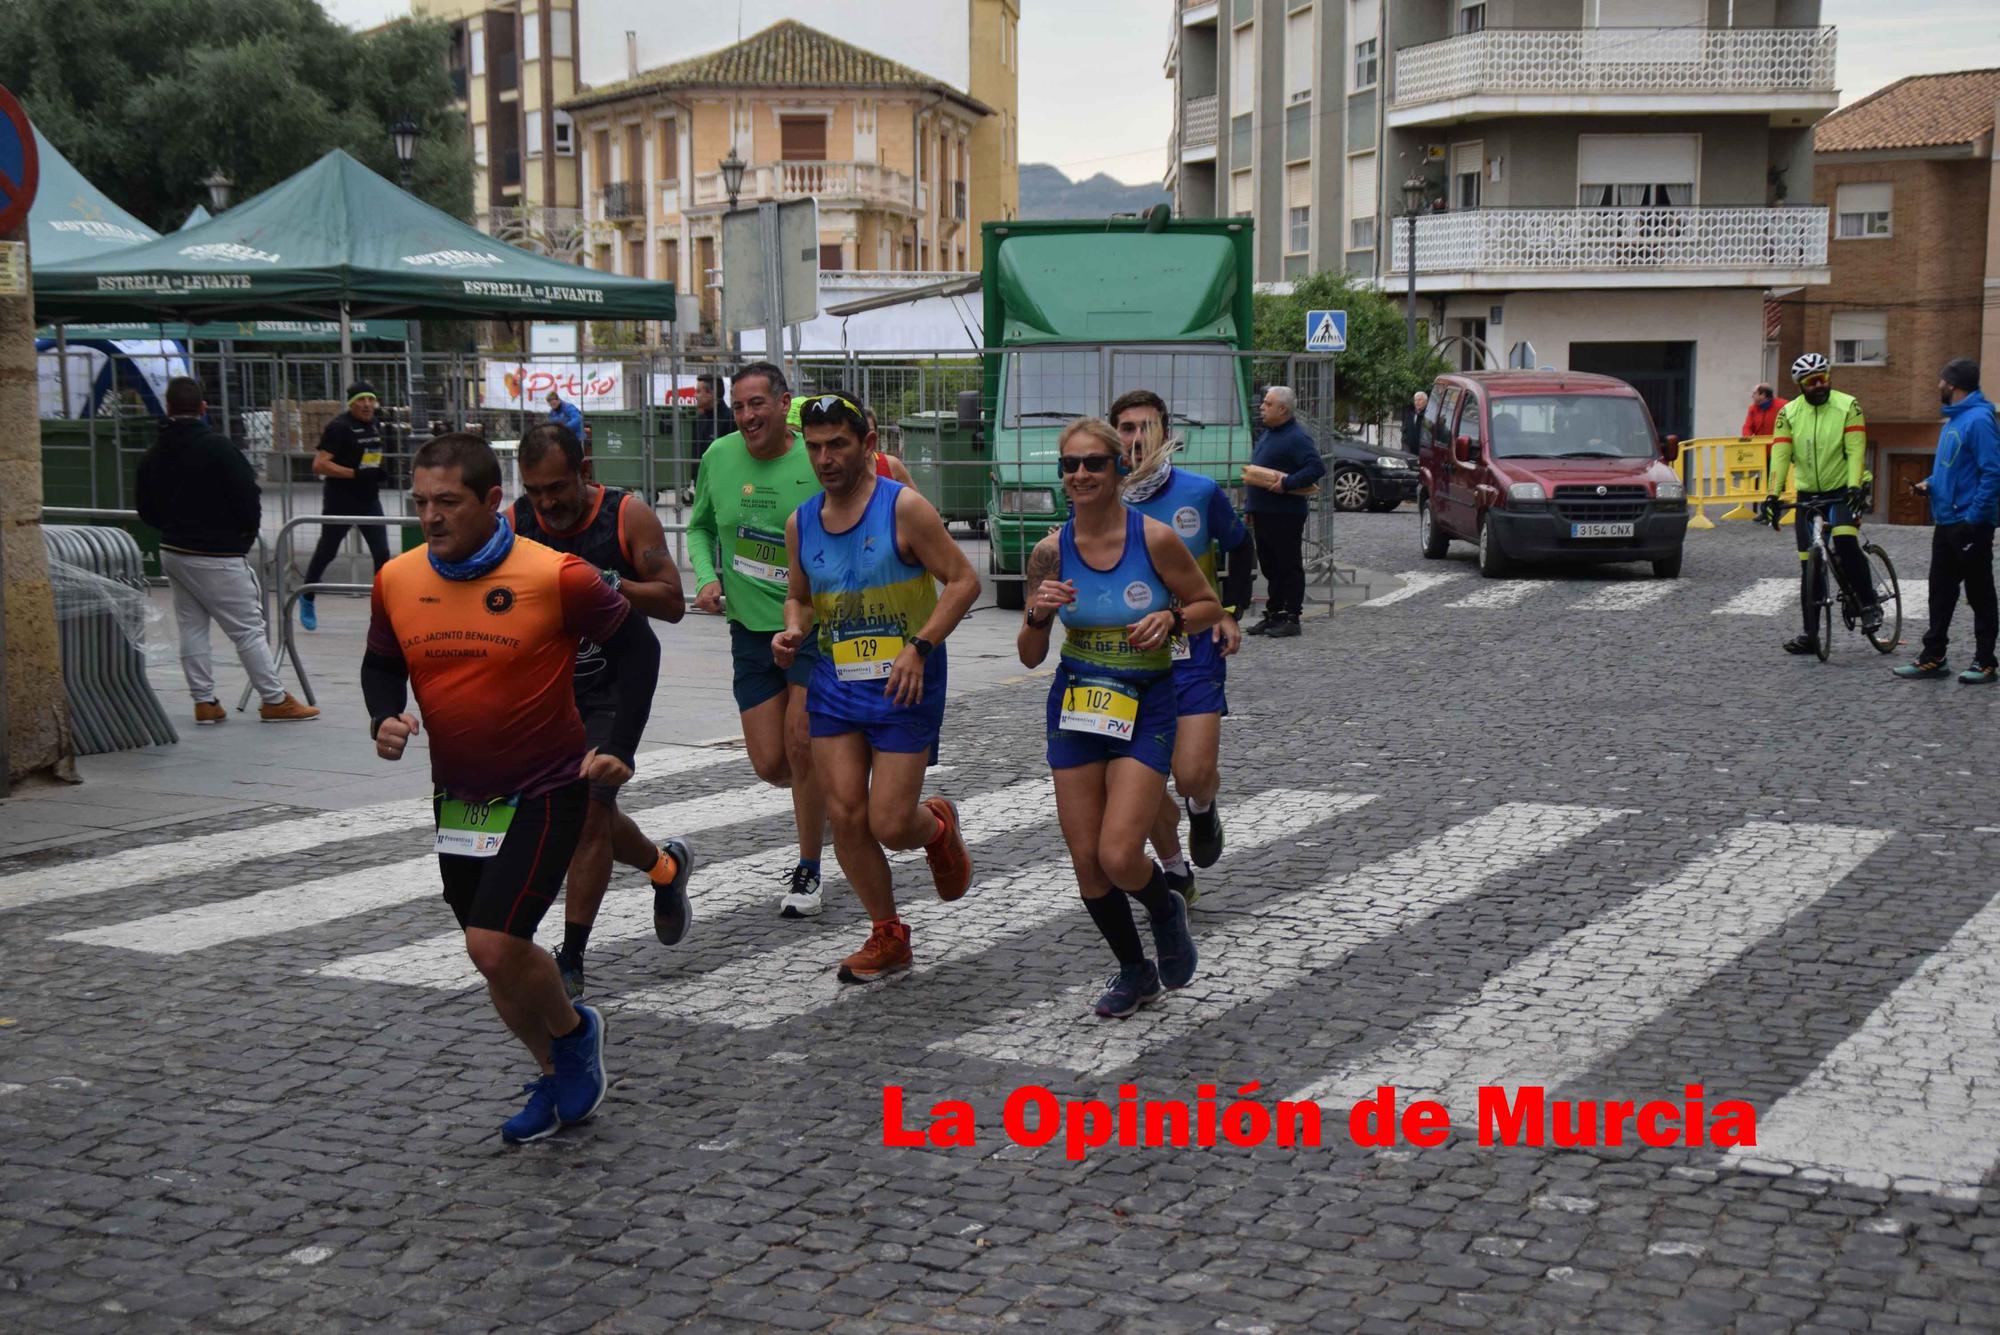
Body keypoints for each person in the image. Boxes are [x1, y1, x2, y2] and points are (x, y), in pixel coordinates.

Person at [365, 433, 661, 1144]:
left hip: (546, 785)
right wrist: (384, 715)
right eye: (421, 503)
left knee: (494, 944)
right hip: (461, 796)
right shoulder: (398, 578)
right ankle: (559, 1067)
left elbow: (638, 648)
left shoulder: (555, 574)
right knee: (490, 955)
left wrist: (618, 745)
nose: (431, 517)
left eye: (448, 502)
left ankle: (575, 1031)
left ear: (493, 501)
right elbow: (381, 662)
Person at [772, 391, 981, 980]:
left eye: (837, 444)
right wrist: (792, 630)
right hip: (835, 681)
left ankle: (936, 826)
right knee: (845, 813)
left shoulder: (904, 509)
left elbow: (965, 581)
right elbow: (799, 596)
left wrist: (920, 647)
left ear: (867, 445)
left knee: (890, 822)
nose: (824, 459)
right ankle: (888, 934)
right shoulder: (801, 521)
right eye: (814, 448)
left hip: (903, 683)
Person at [1018, 418, 1222, 1019]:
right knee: (1086, 857)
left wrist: (1173, 620)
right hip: (1077, 702)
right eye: (1070, 466)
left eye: (1093, 464)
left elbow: (1208, 603)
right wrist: (1036, 616)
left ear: (1117, 469)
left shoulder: (1155, 539)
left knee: (1118, 853)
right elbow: (1030, 656)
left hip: (1147, 701)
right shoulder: (1050, 551)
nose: (1080, 475)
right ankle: (1135, 971)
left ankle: (1165, 911)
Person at [513, 422, 697, 1000]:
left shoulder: (625, 515)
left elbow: (672, 603)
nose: (548, 503)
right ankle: (665, 868)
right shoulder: (516, 524)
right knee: (574, 816)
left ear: (584, 471)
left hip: (615, 686)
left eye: (557, 488)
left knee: (590, 810)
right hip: (548, 695)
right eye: (536, 491)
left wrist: (609, 582)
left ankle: (571, 958)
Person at [685, 361, 830, 916]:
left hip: (813, 628)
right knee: (773, 763)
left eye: (756, 405)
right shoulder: (718, 458)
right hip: (748, 629)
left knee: (800, 743)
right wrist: (705, 575)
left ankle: (810, 870)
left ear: (782, 402)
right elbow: (699, 526)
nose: (746, 416)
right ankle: (839, 797)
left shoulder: (814, 459)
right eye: (738, 406)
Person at [1109, 389, 1252, 905]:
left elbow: (1241, 546)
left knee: (1189, 774)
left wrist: (1231, 614)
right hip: (1124, 662)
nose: (1136, 438)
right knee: (1131, 781)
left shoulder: (1200, 491)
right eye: (1125, 428)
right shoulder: (1102, 496)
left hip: (1192, 651)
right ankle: (1173, 869)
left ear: (1166, 434)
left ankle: (1201, 805)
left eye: (1147, 426)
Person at [136, 377, 318, 725]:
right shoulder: (218, 447)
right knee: (248, 628)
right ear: (204, 408)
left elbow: (146, 509)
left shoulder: (153, 453)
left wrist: (172, 526)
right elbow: (248, 498)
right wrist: (243, 538)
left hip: (174, 548)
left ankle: (204, 701)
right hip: (217, 553)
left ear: (168, 408)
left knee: (191, 625)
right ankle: (274, 698)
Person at [1758, 353, 1883, 655]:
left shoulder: (1847, 406)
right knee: (1808, 564)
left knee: (1844, 538)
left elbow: (1856, 451)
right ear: (1800, 385)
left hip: (1843, 489)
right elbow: (1780, 457)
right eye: (1812, 381)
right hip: (1808, 495)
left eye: (1824, 378)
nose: (1819, 385)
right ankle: (1810, 634)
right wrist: (1772, 495)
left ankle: (1868, 603)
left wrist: (1855, 486)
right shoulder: (1788, 413)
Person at [1894, 358, 2000, 684]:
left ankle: (1985, 662)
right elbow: (1950, 470)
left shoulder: (1979, 420)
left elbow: (1992, 472)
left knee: (1979, 592)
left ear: (1952, 385)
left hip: (1969, 523)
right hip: (1947, 521)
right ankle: (1934, 657)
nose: (1938, 386)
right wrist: (1930, 484)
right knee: (1940, 592)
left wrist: (1975, 517)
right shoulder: (1953, 421)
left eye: (1941, 381)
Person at [300, 382, 393, 632]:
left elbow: (369, 456)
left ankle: (381, 611)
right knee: (327, 551)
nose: (366, 405)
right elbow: (319, 465)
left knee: (382, 554)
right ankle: (307, 597)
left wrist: (375, 473)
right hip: (341, 500)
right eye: (361, 400)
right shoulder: (339, 428)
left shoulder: (373, 424)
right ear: (351, 403)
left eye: (370, 400)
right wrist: (354, 474)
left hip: (368, 499)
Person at [1242, 386, 1325, 639]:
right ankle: (1274, 613)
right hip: (1264, 512)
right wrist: (1250, 507)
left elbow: (1315, 467)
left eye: (1267, 404)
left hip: (1284, 514)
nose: (1262, 407)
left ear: (1283, 409)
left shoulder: (1297, 437)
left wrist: (1287, 484)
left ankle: (1292, 617)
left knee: (1288, 565)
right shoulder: (1270, 434)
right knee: (1270, 566)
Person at [862, 407, 916, 486]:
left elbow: (915, 496)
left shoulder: (892, 465)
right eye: (862, 431)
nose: (867, 436)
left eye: (870, 431)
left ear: (876, 434)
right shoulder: (844, 470)